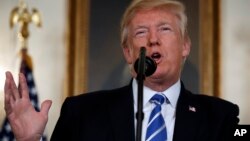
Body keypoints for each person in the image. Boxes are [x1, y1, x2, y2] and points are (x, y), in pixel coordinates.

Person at [4, 0, 239, 141]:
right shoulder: (82, 114)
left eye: (165, 29)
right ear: (128, 52)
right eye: (141, 32)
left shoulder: (221, 118)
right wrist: (28, 140)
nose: (153, 39)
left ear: (185, 45)